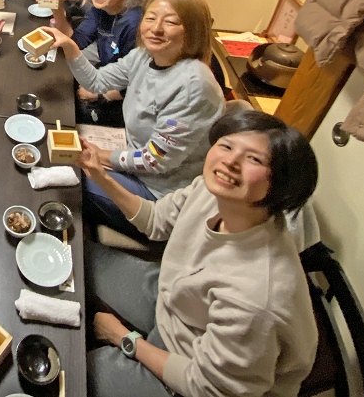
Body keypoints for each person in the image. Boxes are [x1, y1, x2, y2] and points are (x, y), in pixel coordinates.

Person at [78, 110, 319, 397]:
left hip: (192, 369)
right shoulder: (212, 191)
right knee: (73, 258)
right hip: (175, 302)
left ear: (280, 184)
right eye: (227, 146)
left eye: (254, 159)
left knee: (64, 376)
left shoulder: (256, 298)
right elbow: (156, 220)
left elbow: (205, 387)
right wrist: (100, 176)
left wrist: (123, 338)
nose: (230, 161)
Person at [43, 0, 225, 236]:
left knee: (62, 178)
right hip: (133, 157)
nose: (156, 28)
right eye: (150, 18)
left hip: (158, 193)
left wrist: (102, 156)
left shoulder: (194, 85)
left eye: (171, 22)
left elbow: (155, 160)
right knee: (55, 150)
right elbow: (96, 82)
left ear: (193, 30)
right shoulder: (144, 55)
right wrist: (69, 47)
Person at [45, 0, 147, 127]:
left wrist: (102, 95)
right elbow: (76, 41)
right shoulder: (102, 9)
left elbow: (140, 83)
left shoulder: (135, 23)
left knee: (65, 110)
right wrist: (56, 6)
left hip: (129, 104)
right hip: (107, 76)